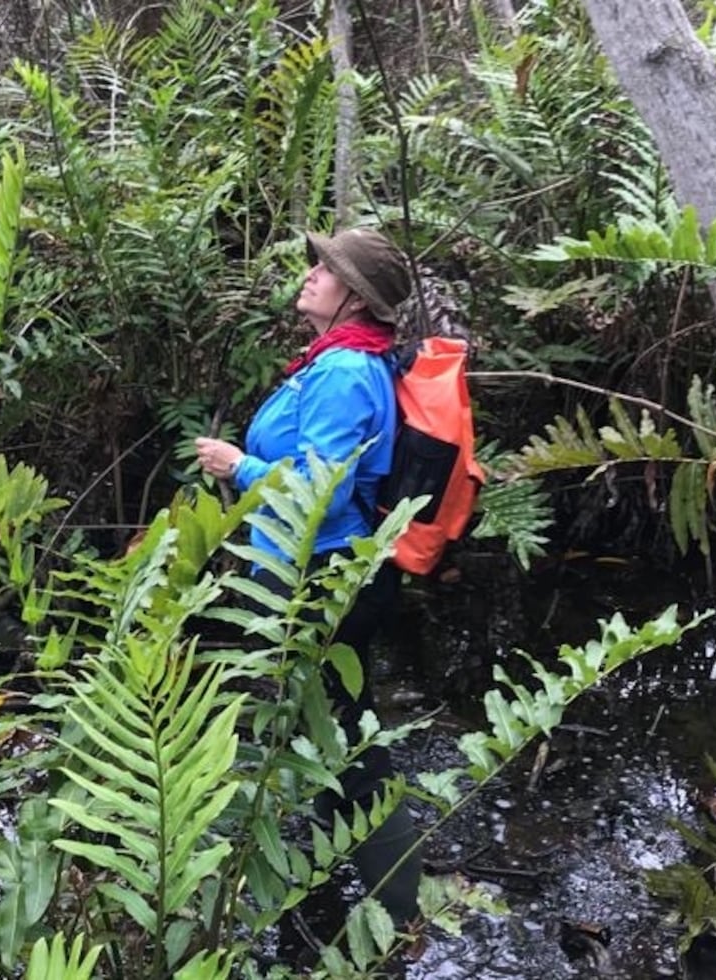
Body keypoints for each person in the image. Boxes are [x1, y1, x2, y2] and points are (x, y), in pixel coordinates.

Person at [195, 227, 421, 928]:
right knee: (326, 727)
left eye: (325, 268)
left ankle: (396, 913)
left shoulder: (346, 374)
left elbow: (318, 485)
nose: (311, 274)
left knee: (347, 741)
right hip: (311, 571)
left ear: (355, 296)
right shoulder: (336, 360)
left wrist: (241, 469)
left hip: (323, 577)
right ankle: (331, 873)